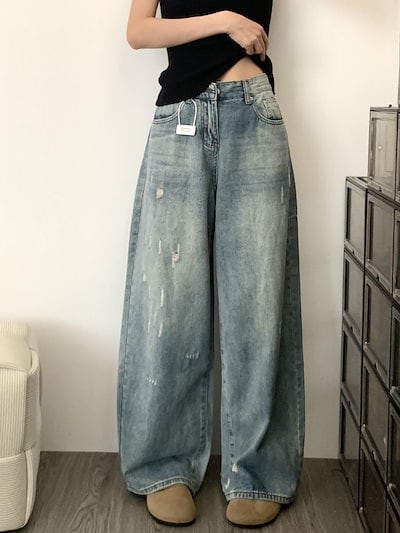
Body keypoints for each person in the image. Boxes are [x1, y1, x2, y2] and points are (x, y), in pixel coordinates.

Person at [116, 0, 305, 528]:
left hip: (254, 113)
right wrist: (226, 21)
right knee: (169, 303)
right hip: (180, 116)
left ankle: (257, 471)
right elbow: (138, 31)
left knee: (258, 301)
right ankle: (165, 467)